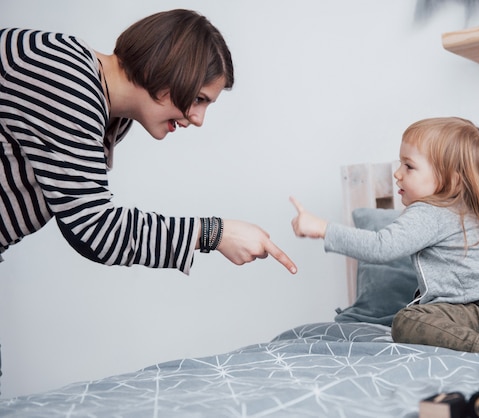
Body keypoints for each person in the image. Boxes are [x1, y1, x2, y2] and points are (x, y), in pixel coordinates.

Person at [0, 9, 296, 275]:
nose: (198, 119)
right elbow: (95, 230)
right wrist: (213, 234)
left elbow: (84, 222)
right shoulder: (64, 76)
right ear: (164, 68)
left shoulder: (112, 116)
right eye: (198, 99)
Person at [290, 117, 479, 357]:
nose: (397, 173)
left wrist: (323, 228)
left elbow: (381, 247)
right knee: (418, 314)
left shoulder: (432, 211)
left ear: (451, 179)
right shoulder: (462, 211)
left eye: (409, 166)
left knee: (407, 320)